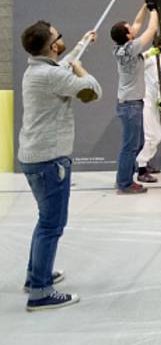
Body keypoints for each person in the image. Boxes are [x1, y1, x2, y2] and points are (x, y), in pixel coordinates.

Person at [18, 22, 101, 311]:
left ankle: (35, 276)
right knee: (52, 225)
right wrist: (80, 69)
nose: (61, 38)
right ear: (53, 45)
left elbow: (62, 64)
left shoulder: (37, 70)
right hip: (50, 161)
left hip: (35, 158)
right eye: (58, 36)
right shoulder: (51, 76)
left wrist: (83, 43)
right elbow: (93, 91)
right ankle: (40, 291)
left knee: (45, 221)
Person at [110, 0, 160, 194]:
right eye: (130, 29)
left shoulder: (123, 46)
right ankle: (124, 183)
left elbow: (138, 22)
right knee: (130, 147)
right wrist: (154, 9)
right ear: (128, 36)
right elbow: (152, 28)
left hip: (131, 103)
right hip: (130, 105)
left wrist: (145, 5)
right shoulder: (131, 49)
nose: (134, 28)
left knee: (136, 143)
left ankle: (126, 177)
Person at [135, 47, 161, 183]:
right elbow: (133, 65)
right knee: (151, 136)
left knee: (157, 136)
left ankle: (144, 164)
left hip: (154, 102)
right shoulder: (151, 57)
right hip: (145, 100)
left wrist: (160, 99)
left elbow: (160, 82)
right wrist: (147, 54)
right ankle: (141, 170)